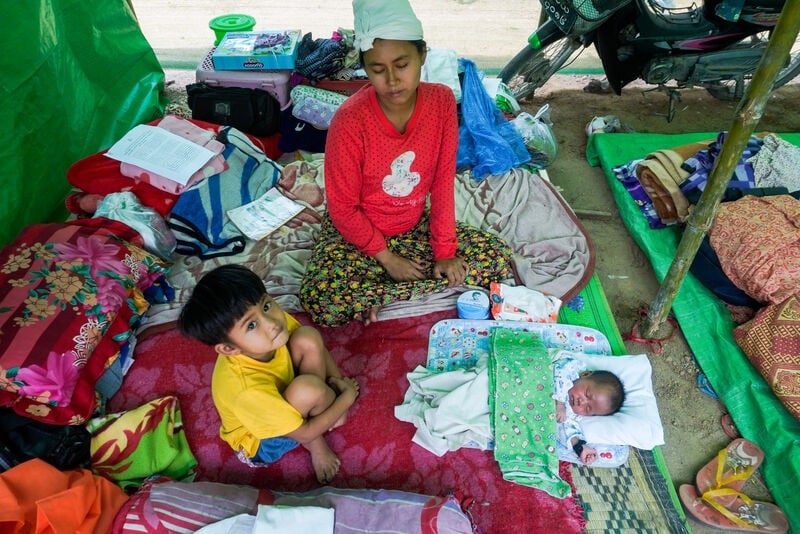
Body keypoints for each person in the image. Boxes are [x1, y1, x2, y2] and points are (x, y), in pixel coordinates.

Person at [298, 0, 515, 327]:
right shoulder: (350, 121)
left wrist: (444, 250)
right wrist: (387, 259)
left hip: (414, 224)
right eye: (377, 69)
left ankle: (377, 294)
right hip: (359, 236)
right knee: (322, 298)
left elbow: (442, 183)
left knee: (496, 257)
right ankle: (391, 284)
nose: (392, 80)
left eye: (402, 64)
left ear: (422, 56)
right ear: (365, 68)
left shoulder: (441, 102)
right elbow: (343, 208)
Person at [177, 264, 359, 484]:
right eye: (252, 325)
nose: (272, 323)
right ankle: (317, 446)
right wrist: (345, 399)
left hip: (279, 398)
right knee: (308, 392)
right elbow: (304, 433)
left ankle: (316, 404)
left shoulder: (273, 326)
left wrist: (337, 383)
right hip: (259, 443)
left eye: (266, 306)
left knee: (307, 336)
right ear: (229, 349)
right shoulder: (247, 391)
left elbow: (314, 346)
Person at [553, 357, 625, 465]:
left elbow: (568, 430)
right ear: (585, 375)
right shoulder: (571, 370)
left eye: (587, 408)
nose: (581, 401)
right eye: (587, 394)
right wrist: (560, 403)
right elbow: (559, 371)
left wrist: (579, 447)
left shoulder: (570, 414)